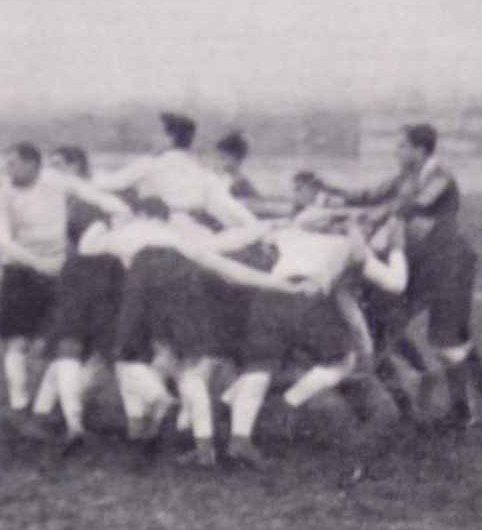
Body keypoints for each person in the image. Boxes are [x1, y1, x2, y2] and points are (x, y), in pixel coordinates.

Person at [82, 200, 313, 468]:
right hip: (185, 296)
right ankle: (204, 447)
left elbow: (86, 249)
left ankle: (150, 417)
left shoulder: (128, 232)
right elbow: (231, 268)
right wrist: (284, 285)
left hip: (143, 292)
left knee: (127, 362)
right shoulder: (177, 239)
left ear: (140, 214)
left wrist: (100, 225)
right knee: (188, 370)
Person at [316, 123, 482, 429]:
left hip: (449, 265)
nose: (397, 152)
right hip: (418, 265)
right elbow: (370, 195)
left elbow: (416, 205)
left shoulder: (441, 178)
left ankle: (465, 410)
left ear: (420, 149)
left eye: (402, 146)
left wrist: (381, 213)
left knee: (446, 340)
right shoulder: (405, 177)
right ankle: (469, 405)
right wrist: (333, 192)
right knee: (388, 326)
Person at [218, 214, 404, 468]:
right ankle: (288, 406)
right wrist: (397, 249)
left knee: (260, 368)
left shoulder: (293, 234)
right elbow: (395, 283)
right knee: (343, 360)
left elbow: (257, 238)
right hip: (304, 297)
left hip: (268, 297)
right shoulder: (347, 245)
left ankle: (239, 437)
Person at [0, 142, 131, 428]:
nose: (9, 170)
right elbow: (3, 240)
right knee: (19, 341)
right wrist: (37, 263)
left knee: (63, 340)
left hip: (59, 270)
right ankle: (20, 406)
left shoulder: (56, 181)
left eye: (14, 164)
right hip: (21, 271)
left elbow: (100, 198)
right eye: (7, 164)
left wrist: (119, 218)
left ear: (33, 164)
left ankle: (53, 409)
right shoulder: (3, 193)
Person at [93, 111, 258, 230]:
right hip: (196, 232)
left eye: (158, 134)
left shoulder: (149, 165)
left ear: (169, 138)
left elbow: (109, 184)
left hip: (157, 229)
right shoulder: (203, 172)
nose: (153, 138)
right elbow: (232, 208)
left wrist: (85, 176)